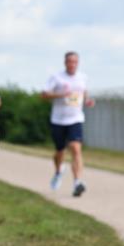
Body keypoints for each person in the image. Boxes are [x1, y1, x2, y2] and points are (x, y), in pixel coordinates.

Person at [41, 51, 94, 196]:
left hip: (75, 118)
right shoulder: (57, 78)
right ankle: (58, 171)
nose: (72, 64)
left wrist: (88, 101)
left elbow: (84, 93)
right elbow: (44, 94)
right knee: (59, 152)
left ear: (78, 63)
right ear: (65, 62)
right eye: (70, 61)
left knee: (76, 148)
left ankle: (77, 182)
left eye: (75, 62)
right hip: (58, 120)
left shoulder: (82, 77)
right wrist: (61, 95)